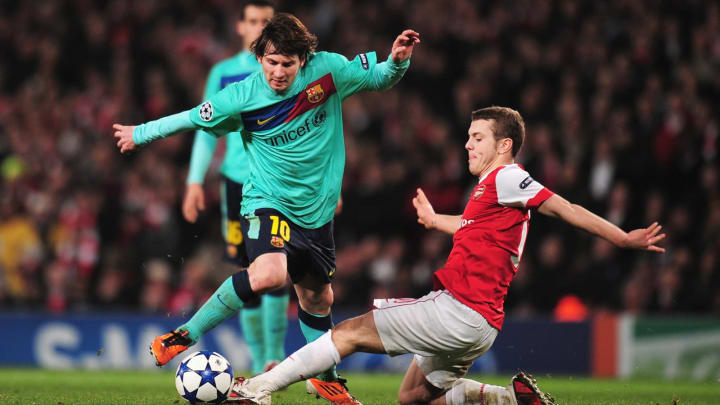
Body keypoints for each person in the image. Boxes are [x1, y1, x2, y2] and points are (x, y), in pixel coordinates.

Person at [230, 106, 666, 405]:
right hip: (483, 325)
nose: (468, 145)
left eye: (478, 138)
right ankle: (512, 398)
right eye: (468, 137)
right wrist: (437, 219)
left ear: (505, 145)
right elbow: (474, 227)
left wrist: (623, 239)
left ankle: (258, 388)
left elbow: (564, 208)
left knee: (349, 331)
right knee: (415, 397)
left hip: (458, 310)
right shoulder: (493, 191)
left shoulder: (510, 177)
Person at [114, 13, 419, 405]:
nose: (278, 72)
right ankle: (183, 335)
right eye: (271, 62)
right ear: (260, 58)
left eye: (287, 64)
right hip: (266, 202)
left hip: (317, 214)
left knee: (318, 300)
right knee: (270, 274)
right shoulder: (241, 97)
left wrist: (397, 60)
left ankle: (326, 378)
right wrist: (140, 133)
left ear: (303, 60)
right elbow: (192, 118)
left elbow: (378, 78)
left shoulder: (328, 71)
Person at [182, 0, 288, 376]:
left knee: (278, 268)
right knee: (246, 270)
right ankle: (261, 360)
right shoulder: (224, 74)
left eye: (267, 22)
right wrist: (195, 180)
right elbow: (206, 131)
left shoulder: (290, 73)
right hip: (236, 187)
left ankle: (273, 355)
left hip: (279, 186)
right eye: (254, 21)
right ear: (240, 27)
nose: (260, 28)